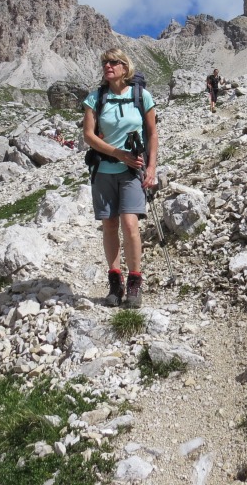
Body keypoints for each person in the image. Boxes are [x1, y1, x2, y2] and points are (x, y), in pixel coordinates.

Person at [82, 48, 158, 308]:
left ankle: (135, 281)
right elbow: (88, 136)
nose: (108, 66)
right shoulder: (95, 98)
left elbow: (152, 133)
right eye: (105, 62)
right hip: (103, 170)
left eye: (114, 62)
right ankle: (115, 281)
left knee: (130, 224)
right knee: (110, 225)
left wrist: (151, 167)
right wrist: (118, 154)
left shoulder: (141, 96)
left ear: (125, 67)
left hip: (132, 170)